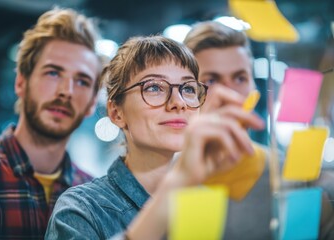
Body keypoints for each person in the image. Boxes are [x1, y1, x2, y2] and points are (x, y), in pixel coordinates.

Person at [45, 35, 265, 239]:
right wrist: (174, 187)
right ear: (116, 113)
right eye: (153, 87)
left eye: (188, 88)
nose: (178, 102)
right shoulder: (81, 210)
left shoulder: (216, 200)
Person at [184, 21, 334, 239]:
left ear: (254, 87)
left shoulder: (293, 179)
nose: (230, 94)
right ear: (187, 91)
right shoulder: (168, 180)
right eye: (211, 80)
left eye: (240, 78)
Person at [0, 7, 101, 240]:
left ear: (93, 103)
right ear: (21, 82)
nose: (66, 92)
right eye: (53, 73)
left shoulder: (94, 197)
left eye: (82, 81)